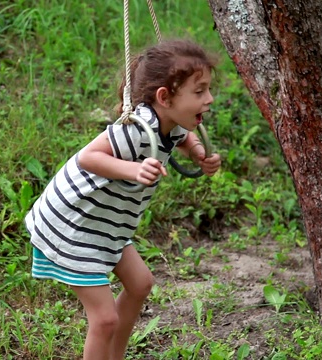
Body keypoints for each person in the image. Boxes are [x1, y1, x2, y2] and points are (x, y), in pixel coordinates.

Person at [24, 39, 221, 360]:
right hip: (74, 227)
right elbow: (88, 157)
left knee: (141, 284)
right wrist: (133, 168)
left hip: (106, 227)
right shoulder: (135, 128)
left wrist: (199, 154)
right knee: (104, 318)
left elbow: (185, 137)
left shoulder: (169, 123)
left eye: (208, 90)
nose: (209, 99)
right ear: (164, 97)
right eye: (199, 92)